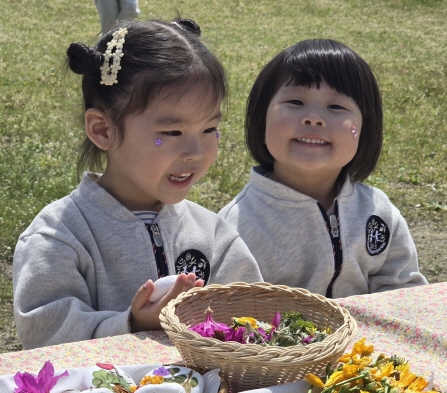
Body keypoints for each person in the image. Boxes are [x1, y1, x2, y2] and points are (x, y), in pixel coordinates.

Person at [13, 19, 262, 349]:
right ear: (104, 130)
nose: (195, 152)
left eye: (209, 129)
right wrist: (130, 325)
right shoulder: (60, 237)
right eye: (171, 133)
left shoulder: (213, 235)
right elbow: (43, 334)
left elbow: (254, 314)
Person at [219, 39, 427, 299]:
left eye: (336, 107)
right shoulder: (238, 226)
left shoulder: (379, 212)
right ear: (261, 121)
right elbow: (231, 317)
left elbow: (404, 294)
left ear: (363, 130)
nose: (314, 117)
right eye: (295, 102)